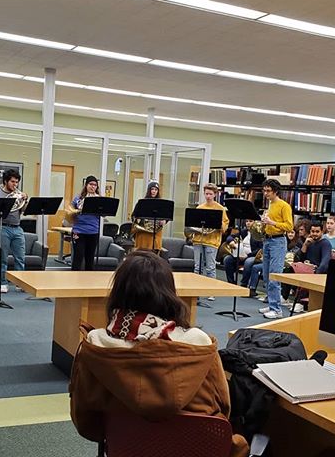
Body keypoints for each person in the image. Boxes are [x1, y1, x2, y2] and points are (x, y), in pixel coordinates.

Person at [69, 251, 249, 457]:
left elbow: (86, 423)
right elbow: (224, 409)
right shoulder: (201, 344)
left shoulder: (95, 346)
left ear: (118, 293)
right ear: (170, 293)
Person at [0, 169, 28, 293]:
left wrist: (25, 199)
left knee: (20, 257)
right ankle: (3, 282)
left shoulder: (18, 195)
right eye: (13, 182)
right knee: (3, 257)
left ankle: (20, 283)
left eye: (17, 182)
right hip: (2, 227)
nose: (15, 184)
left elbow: (23, 210)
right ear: (6, 181)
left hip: (17, 228)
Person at [258, 179, 294, 319]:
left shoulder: (284, 206)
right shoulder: (271, 204)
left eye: (268, 191)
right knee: (267, 274)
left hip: (278, 241)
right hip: (268, 240)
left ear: (275, 191)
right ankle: (272, 302)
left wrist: (272, 222)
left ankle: (276, 309)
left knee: (274, 275)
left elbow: (289, 226)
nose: (265, 193)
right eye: (264, 190)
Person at [190, 183, 230, 287]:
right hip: (198, 240)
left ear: (215, 195)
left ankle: (210, 290)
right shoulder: (200, 207)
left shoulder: (220, 209)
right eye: (206, 194)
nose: (208, 196)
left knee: (210, 267)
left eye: (210, 194)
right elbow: (194, 224)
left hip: (212, 241)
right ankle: (196, 290)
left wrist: (217, 221)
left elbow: (225, 226)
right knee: (197, 267)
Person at [68, 175, 101, 271]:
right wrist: (76, 210)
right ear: (86, 185)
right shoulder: (78, 198)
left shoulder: (99, 199)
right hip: (79, 231)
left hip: (93, 231)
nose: (93, 186)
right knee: (78, 256)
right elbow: (70, 211)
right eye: (91, 184)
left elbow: (104, 214)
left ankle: (88, 282)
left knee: (90, 259)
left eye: (95, 185)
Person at [223, 218, 263, 286]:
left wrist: (247, 255)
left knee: (248, 262)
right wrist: (231, 241)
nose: (248, 223)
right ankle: (231, 283)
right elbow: (230, 237)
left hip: (254, 256)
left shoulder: (259, 233)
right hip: (241, 255)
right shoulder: (243, 231)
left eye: (250, 221)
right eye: (247, 221)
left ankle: (244, 284)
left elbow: (261, 248)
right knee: (227, 259)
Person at [132, 180, 165, 253]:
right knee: (141, 254)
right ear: (148, 190)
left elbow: (166, 216)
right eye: (152, 189)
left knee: (154, 256)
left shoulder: (161, 204)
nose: (154, 191)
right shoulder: (142, 202)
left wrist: (164, 221)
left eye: (156, 190)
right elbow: (134, 216)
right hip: (143, 234)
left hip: (156, 234)